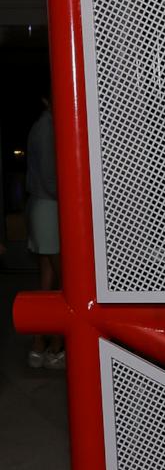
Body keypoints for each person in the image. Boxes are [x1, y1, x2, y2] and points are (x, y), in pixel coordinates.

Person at [25, 93, 64, 370]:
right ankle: (55, 345)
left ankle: (40, 346)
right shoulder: (48, 127)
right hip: (50, 207)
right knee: (64, 280)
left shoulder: (41, 125)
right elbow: (52, 177)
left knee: (47, 281)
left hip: (41, 206)